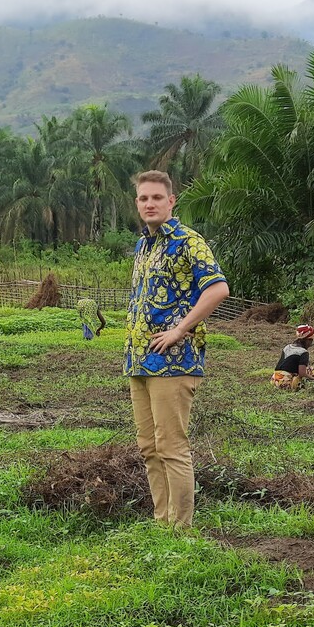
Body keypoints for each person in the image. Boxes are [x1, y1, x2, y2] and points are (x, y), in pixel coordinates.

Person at [126, 170, 229, 529]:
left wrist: (180, 329)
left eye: (157, 197)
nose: (150, 203)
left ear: (172, 201)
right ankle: (162, 524)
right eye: (143, 198)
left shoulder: (188, 241)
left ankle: (180, 530)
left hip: (174, 361)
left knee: (171, 447)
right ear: (137, 203)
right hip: (139, 360)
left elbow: (217, 289)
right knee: (149, 448)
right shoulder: (143, 245)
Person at [272, 324, 314, 389]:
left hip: (274, 379)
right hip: (285, 383)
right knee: (310, 370)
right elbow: (302, 374)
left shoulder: (287, 347)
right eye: (311, 340)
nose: (311, 343)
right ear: (307, 340)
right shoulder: (303, 352)